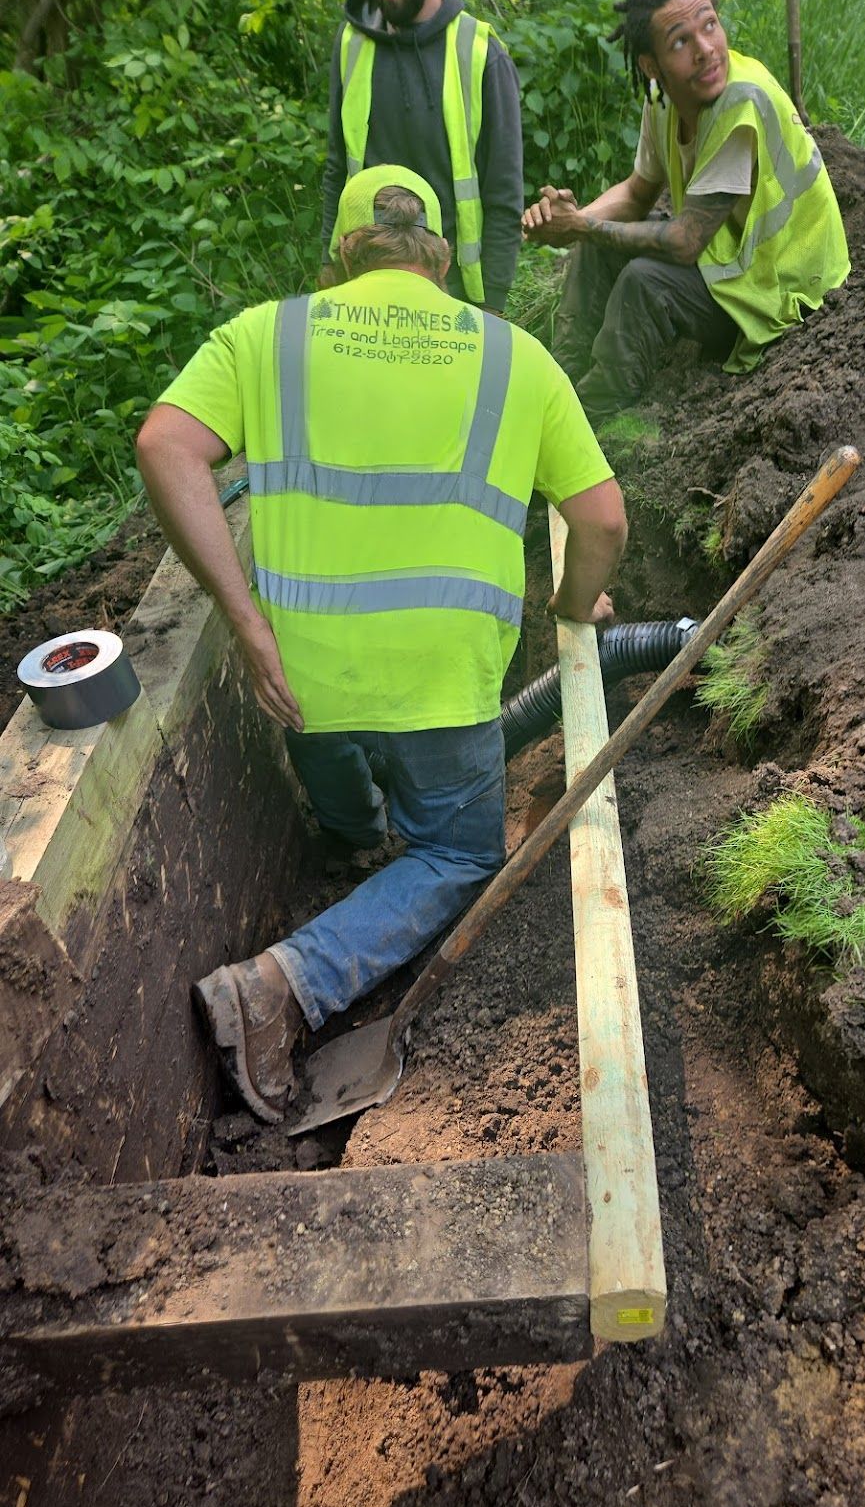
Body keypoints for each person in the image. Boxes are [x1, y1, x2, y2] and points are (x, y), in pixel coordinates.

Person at [136, 166, 626, 1124]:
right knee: (456, 853)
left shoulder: (266, 334)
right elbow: (601, 518)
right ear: (440, 257)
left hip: (304, 672)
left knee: (336, 772)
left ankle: (353, 835)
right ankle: (282, 985)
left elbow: (165, 445)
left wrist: (243, 620)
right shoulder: (513, 355)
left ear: (343, 255)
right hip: (443, 685)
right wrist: (573, 608)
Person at [522, 0, 850, 419]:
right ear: (651, 67)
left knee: (645, 283)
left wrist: (582, 225)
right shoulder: (663, 100)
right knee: (595, 246)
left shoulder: (739, 103)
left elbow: (685, 242)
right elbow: (638, 192)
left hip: (782, 285)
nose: (706, 49)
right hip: (733, 258)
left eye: (710, 25)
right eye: (680, 42)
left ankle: (591, 415)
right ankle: (557, 383)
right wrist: (571, 219)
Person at [320, 0, 523, 313]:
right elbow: (337, 165)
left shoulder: (479, 50)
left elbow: (503, 189)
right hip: (363, 278)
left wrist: (492, 300)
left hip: (451, 286)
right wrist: (328, 262)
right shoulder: (353, 42)